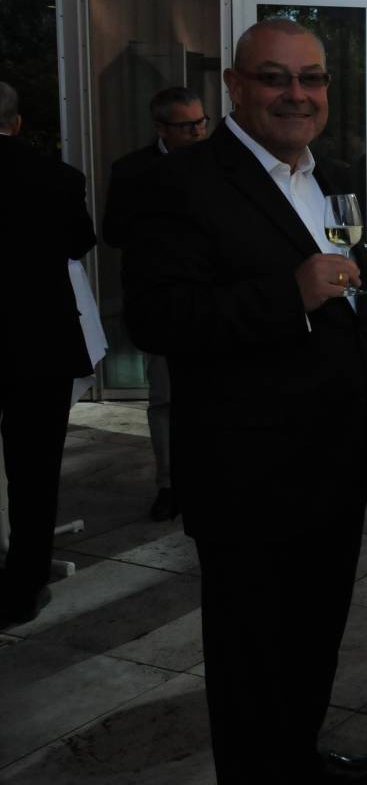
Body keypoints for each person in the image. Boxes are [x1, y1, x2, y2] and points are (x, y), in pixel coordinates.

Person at [125, 19, 367, 785]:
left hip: (337, 454)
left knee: (316, 635)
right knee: (252, 656)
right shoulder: (179, 182)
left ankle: (299, 758)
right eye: (275, 78)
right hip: (249, 467)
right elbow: (156, 317)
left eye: (311, 78)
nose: (297, 94)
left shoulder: (330, 174)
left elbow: (352, 297)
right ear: (236, 87)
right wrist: (288, 295)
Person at [0, 82, 96, 629]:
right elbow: (79, 241)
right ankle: (23, 586)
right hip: (39, 341)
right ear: (15, 123)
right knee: (34, 470)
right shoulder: (57, 177)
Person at [101, 86, 211, 522]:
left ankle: (211, 478)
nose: (199, 132)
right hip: (164, 298)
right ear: (161, 128)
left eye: (203, 122)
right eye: (188, 126)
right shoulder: (132, 170)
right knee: (165, 396)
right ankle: (168, 483)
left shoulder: (220, 163)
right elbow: (114, 232)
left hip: (215, 296)